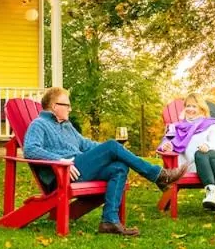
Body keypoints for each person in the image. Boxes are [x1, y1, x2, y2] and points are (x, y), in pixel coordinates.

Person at [24, 86, 188, 236]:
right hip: (62, 174)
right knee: (112, 146)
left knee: (119, 166)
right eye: (67, 105)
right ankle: (158, 175)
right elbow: (30, 150)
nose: (70, 109)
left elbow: (86, 144)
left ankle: (109, 221)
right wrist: (60, 160)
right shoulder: (39, 124)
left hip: (79, 169)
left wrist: (115, 151)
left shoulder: (66, 125)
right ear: (54, 106)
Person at [158, 93, 215, 224]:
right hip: (195, 165)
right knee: (206, 159)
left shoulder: (211, 124)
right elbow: (166, 142)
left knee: (204, 154)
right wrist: (166, 146)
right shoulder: (177, 127)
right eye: (188, 106)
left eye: (194, 106)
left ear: (201, 109)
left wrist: (208, 145)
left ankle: (211, 192)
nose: (190, 109)